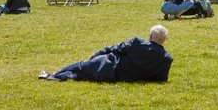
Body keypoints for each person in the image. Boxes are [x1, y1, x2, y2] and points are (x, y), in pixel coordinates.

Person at [38, 25, 172, 82]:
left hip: (108, 65)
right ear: (164, 40)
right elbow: (161, 79)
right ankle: (53, 77)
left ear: (150, 36)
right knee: (81, 76)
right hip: (118, 77)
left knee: (80, 66)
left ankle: (53, 75)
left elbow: (116, 48)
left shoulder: (138, 42)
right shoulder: (166, 59)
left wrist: (97, 53)